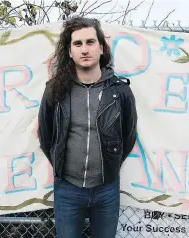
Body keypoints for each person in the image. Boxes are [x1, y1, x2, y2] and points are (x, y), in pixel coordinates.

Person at [37, 16, 138, 238]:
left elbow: (128, 136)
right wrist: (60, 163)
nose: (85, 49)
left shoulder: (120, 92)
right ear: (70, 51)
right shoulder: (55, 90)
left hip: (106, 188)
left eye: (90, 42)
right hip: (67, 189)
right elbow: (46, 135)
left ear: (101, 48)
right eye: (78, 43)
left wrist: (111, 163)